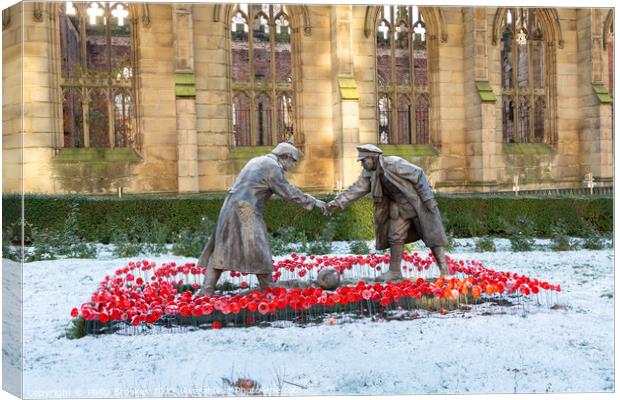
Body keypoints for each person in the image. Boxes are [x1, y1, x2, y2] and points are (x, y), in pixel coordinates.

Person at [196, 143, 325, 296]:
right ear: (286, 157)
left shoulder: (257, 160)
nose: (292, 166)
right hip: (246, 210)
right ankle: (269, 289)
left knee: (222, 249)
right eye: (293, 162)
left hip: (230, 207)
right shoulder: (272, 167)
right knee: (260, 248)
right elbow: (288, 192)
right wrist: (313, 201)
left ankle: (206, 290)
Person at [324, 144, 450, 281]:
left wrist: (428, 199)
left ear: (373, 158)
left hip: (416, 203)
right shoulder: (369, 173)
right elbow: (356, 189)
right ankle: (395, 271)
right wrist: (336, 202)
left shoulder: (394, 163)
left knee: (431, 235)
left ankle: (445, 270)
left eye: (363, 160)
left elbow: (418, 174)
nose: (362, 164)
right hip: (398, 207)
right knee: (394, 236)